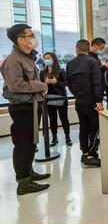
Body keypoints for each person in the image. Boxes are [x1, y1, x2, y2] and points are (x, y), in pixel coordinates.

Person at [1, 24, 50, 196]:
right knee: (23, 144)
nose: (34, 37)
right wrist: (41, 84)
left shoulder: (28, 57)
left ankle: (28, 172)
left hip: (32, 105)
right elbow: (16, 85)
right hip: (22, 107)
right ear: (21, 39)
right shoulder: (13, 60)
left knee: (30, 143)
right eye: (31, 35)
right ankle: (23, 182)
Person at [66, 39, 103, 168]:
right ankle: (91, 155)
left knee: (83, 127)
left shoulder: (69, 64)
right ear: (88, 49)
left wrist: (78, 95)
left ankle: (85, 152)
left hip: (79, 101)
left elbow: (69, 84)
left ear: (76, 49)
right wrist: (98, 100)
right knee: (96, 128)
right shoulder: (92, 62)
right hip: (92, 101)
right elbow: (96, 83)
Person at [39, 52, 72, 147]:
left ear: (53, 59)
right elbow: (39, 85)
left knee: (64, 119)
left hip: (60, 97)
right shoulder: (42, 72)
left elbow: (66, 83)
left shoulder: (61, 71)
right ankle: (54, 137)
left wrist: (56, 82)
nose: (46, 60)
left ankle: (67, 137)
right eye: (45, 58)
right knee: (52, 119)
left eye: (48, 58)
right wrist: (44, 84)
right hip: (48, 99)